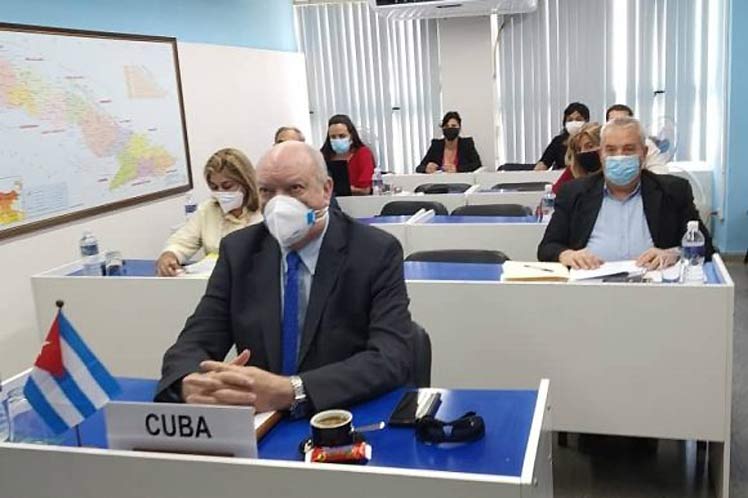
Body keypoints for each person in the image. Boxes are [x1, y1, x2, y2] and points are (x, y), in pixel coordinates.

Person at [154, 141, 414, 416]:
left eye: (294, 189)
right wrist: (191, 384)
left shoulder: (374, 251)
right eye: (267, 191)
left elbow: (391, 358)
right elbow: (194, 341)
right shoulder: (239, 251)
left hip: (343, 414)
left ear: (326, 190)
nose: (279, 204)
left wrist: (291, 390)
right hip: (261, 420)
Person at [537, 117, 714, 270]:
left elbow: (706, 248)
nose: (619, 156)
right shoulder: (574, 192)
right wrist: (566, 255)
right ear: (600, 155)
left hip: (654, 290)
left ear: (643, 154)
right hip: (590, 290)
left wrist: (674, 254)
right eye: (611, 150)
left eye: (629, 149)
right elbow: (547, 247)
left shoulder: (673, 191)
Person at [157, 149, 263, 277]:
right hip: (214, 283)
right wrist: (169, 255)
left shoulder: (264, 212)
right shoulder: (208, 210)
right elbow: (182, 241)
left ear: (246, 182)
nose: (220, 192)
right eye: (214, 187)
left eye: (227, 186)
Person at [320, 114, 375, 196]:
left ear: (351, 136)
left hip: (358, 202)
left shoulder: (363, 153)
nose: (337, 140)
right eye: (333, 137)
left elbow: (365, 190)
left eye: (342, 136)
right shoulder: (323, 156)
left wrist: (340, 189)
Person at [606, 104, 667, 172]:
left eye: (624, 122)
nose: (619, 126)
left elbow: (659, 172)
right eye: (614, 122)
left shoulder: (646, 145)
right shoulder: (600, 145)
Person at [416, 111, 482, 173]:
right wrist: (426, 168)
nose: (450, 128)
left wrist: (457, 169)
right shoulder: (436, 145)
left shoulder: (466, 144)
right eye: (446, 126)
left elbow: (477, 164)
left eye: (453, 126)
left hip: (461, 183)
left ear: (459, 127)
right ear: (443, 128)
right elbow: (419, 167)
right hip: (439, 183)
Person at [535, 102, 590, 171]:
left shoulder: (592, 140)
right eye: (570, 120)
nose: (574, 122)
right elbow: (544, 163)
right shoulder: (558, 141)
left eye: (578, 119)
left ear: (586, 121)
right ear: (565, 123)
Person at [552, 122, 602, 194]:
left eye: (590, 146)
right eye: (578, 149)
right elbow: (552, 197)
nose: (583, 152)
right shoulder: (573, 170)